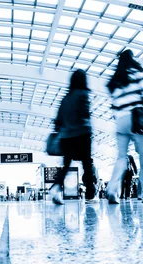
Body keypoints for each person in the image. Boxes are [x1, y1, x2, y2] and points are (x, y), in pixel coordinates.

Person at [106, 50, 143, 204]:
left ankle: (113, 188)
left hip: (120, 121)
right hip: (137, 119)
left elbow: (114, 105)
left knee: (121, 157)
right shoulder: (137, 73)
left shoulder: (115, 80)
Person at [49, 69, 98, 205]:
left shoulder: (65, 98)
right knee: (87, 164)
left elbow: (57, 121)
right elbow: (84, 115)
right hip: (82, 134)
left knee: (66, 165)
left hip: (66, 137)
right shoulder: (83, 94)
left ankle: (56, 187)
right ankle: (89, 194)